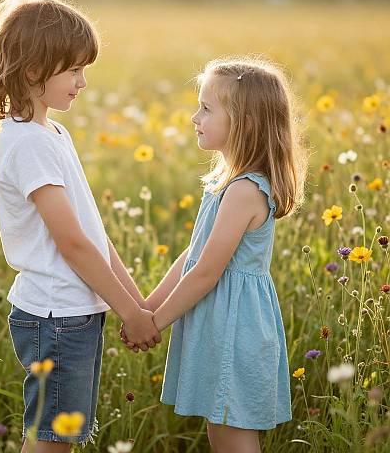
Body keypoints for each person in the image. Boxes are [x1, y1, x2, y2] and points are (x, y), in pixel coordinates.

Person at [0, 0, 161, 453]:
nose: (82, 83)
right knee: (53, 441)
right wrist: (129, 313)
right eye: (74, 70)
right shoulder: (29, 144)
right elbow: (73, 244)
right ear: (35, 70)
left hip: (72, 312)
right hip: (57, 315)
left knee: (60, 436)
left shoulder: (51, 132)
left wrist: (138, 306)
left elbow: (93, 233)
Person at [122, 57, 308, 453]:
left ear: (246, 123)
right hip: (219, 320)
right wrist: (145, 307)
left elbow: (206, 273)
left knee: (233, 433)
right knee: (220, 429)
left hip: (234, 327)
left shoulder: (245, 190)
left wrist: (155, 323)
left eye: (206, 109)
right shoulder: (225, 184)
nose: (195, 117)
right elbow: (194, 255)